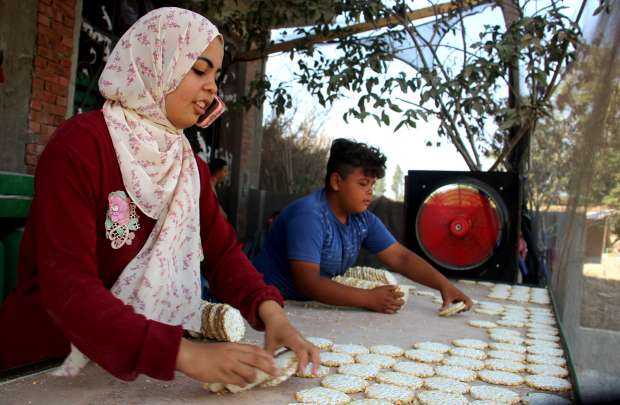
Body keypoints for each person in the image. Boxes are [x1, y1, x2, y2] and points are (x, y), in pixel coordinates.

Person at [0, 7, 318, 385]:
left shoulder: (188, 166)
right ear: (156, 62)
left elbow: (223, 253)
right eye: (199, 70)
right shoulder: (81, 147)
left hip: (136, 366)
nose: (212, 87)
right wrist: (183, 354)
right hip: (44, 366)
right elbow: (68, 286)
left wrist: (271, 313)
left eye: (216, 75)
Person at [253, 138, 473, 313]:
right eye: (362, 184)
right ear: (336, 182)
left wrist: (444, 285)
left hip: (305, 306)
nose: (370, 192)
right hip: (265, 304)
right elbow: (307, 282)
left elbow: (400, 257)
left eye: (373, 185)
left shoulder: (362, 219)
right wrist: (368, 298)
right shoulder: (309, 216)